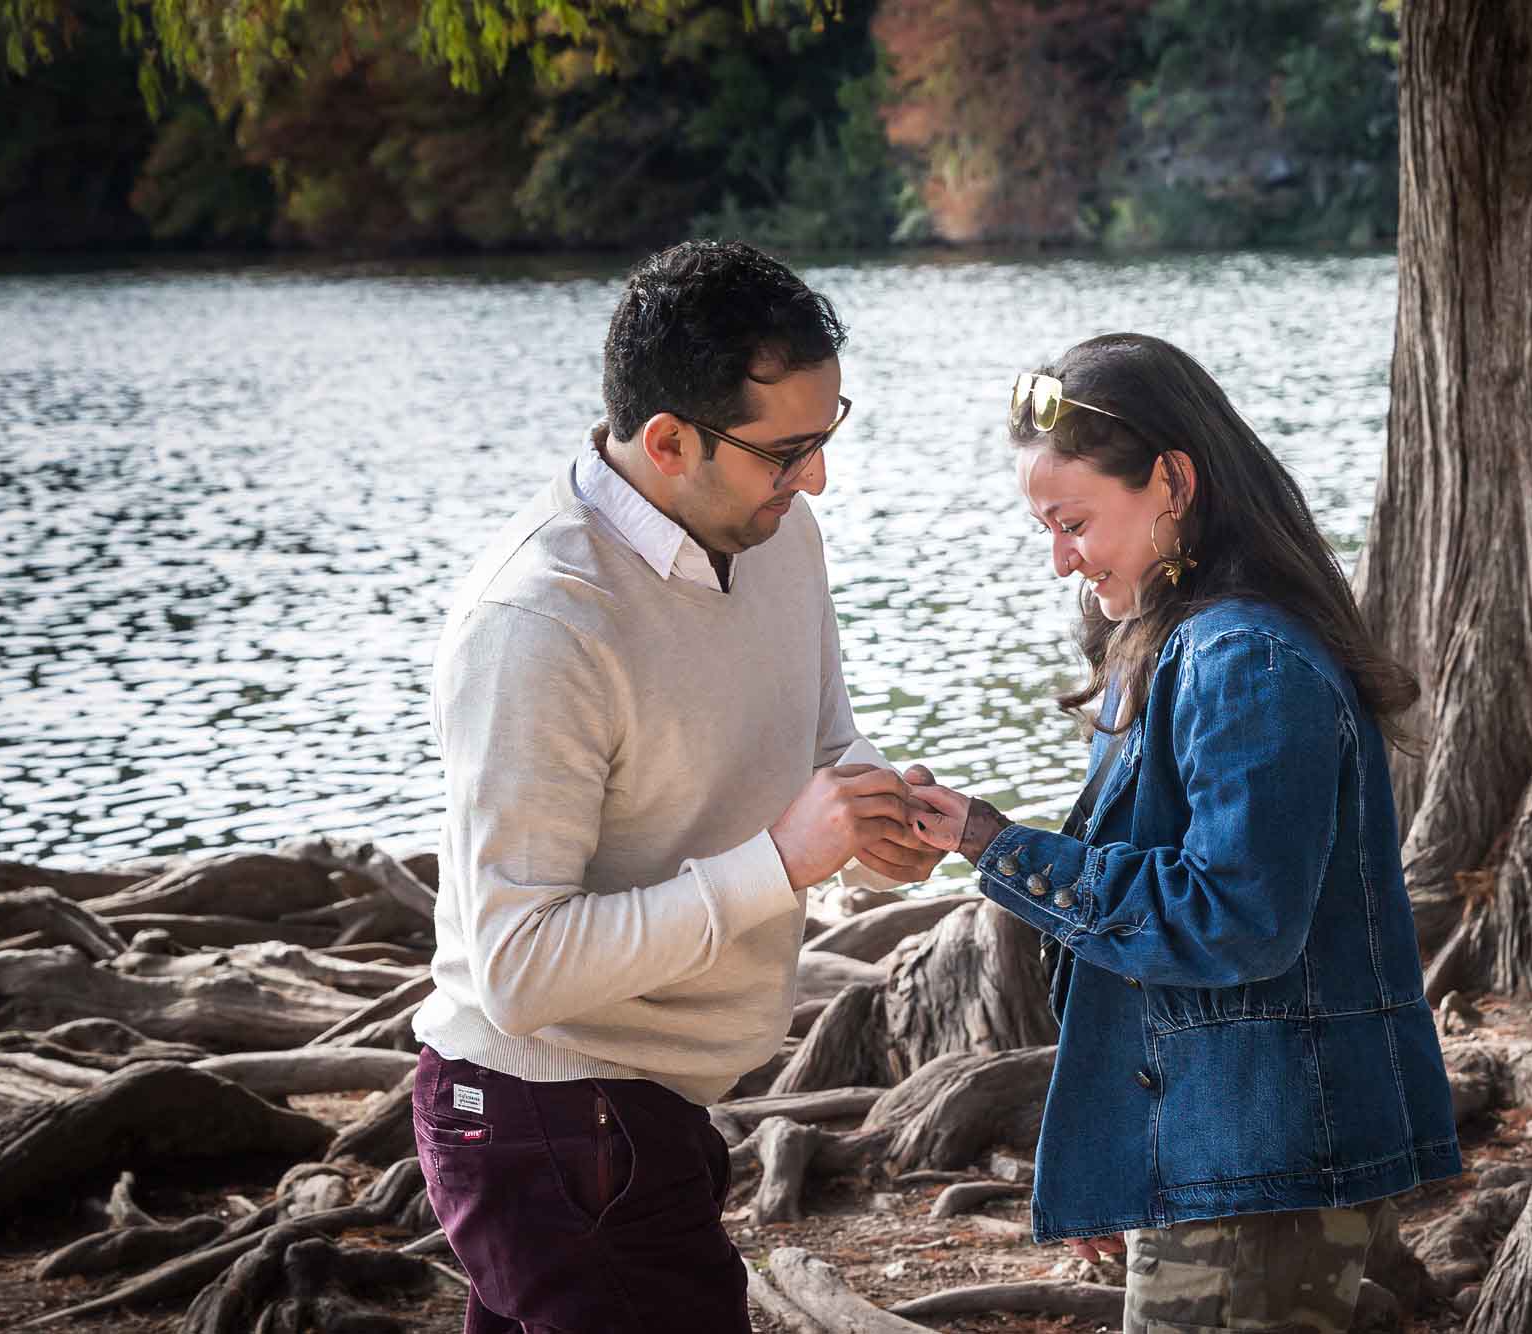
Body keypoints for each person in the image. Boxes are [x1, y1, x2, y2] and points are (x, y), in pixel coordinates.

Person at [410, 239, 942, 1334]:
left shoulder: (778, 534)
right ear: (665, 441)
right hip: (539, 1116)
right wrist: (782, 860)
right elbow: (518, 967)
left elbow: (822, 748)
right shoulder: (538, 622)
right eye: (786, 450)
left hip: (643, 1109)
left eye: (826, 435)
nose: (817, 479)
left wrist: (871, 821)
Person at [907, 333, 1462, 1334]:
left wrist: (998, 844)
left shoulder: (1242, 659)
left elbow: (1232, 920)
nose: (1058, 559)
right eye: (1046, 527)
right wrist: (1119, 1145)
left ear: (1169, 479)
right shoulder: (1181, 643)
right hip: (1218, 1144)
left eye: (1071, 521)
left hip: (1260, 1164)